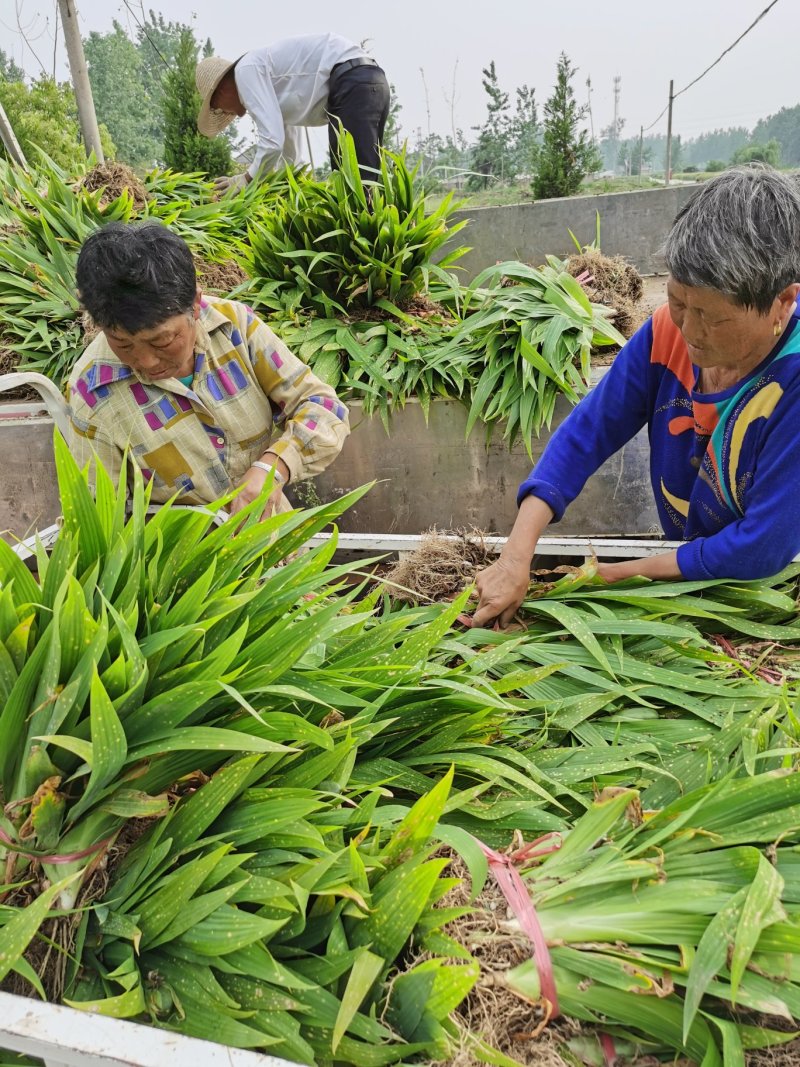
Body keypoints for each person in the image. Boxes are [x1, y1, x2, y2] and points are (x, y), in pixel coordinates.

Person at [471, 164, 800, 629]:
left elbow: (762, 546)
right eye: (679, 302)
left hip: (762, 596)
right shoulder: (666, 332)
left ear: (782, 302)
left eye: (713, 317)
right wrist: (515, 556)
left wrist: (618, 575)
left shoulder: (793, 378)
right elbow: (588, 432)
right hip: (682, 568)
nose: (689, 330)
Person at [67, 221, 349, 520]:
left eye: (162, 340)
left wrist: (272, 467)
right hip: (181, 557)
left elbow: (324, 408)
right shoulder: (93, 391)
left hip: (273, 536)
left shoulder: (234, 328)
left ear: (196, 305)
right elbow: (99, 517)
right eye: (123, 344)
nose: (146, 361)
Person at [195, 33, 391, 194]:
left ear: (220, 92)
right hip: (367, 82)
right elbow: (290, 156)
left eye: (220, 108)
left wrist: (244, 180)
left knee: (354, 188)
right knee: (363, 183)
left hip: (353, 81)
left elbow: (272, 142)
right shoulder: (267, 83)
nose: (232, 115)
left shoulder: (245, 71)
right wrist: (283, 189)